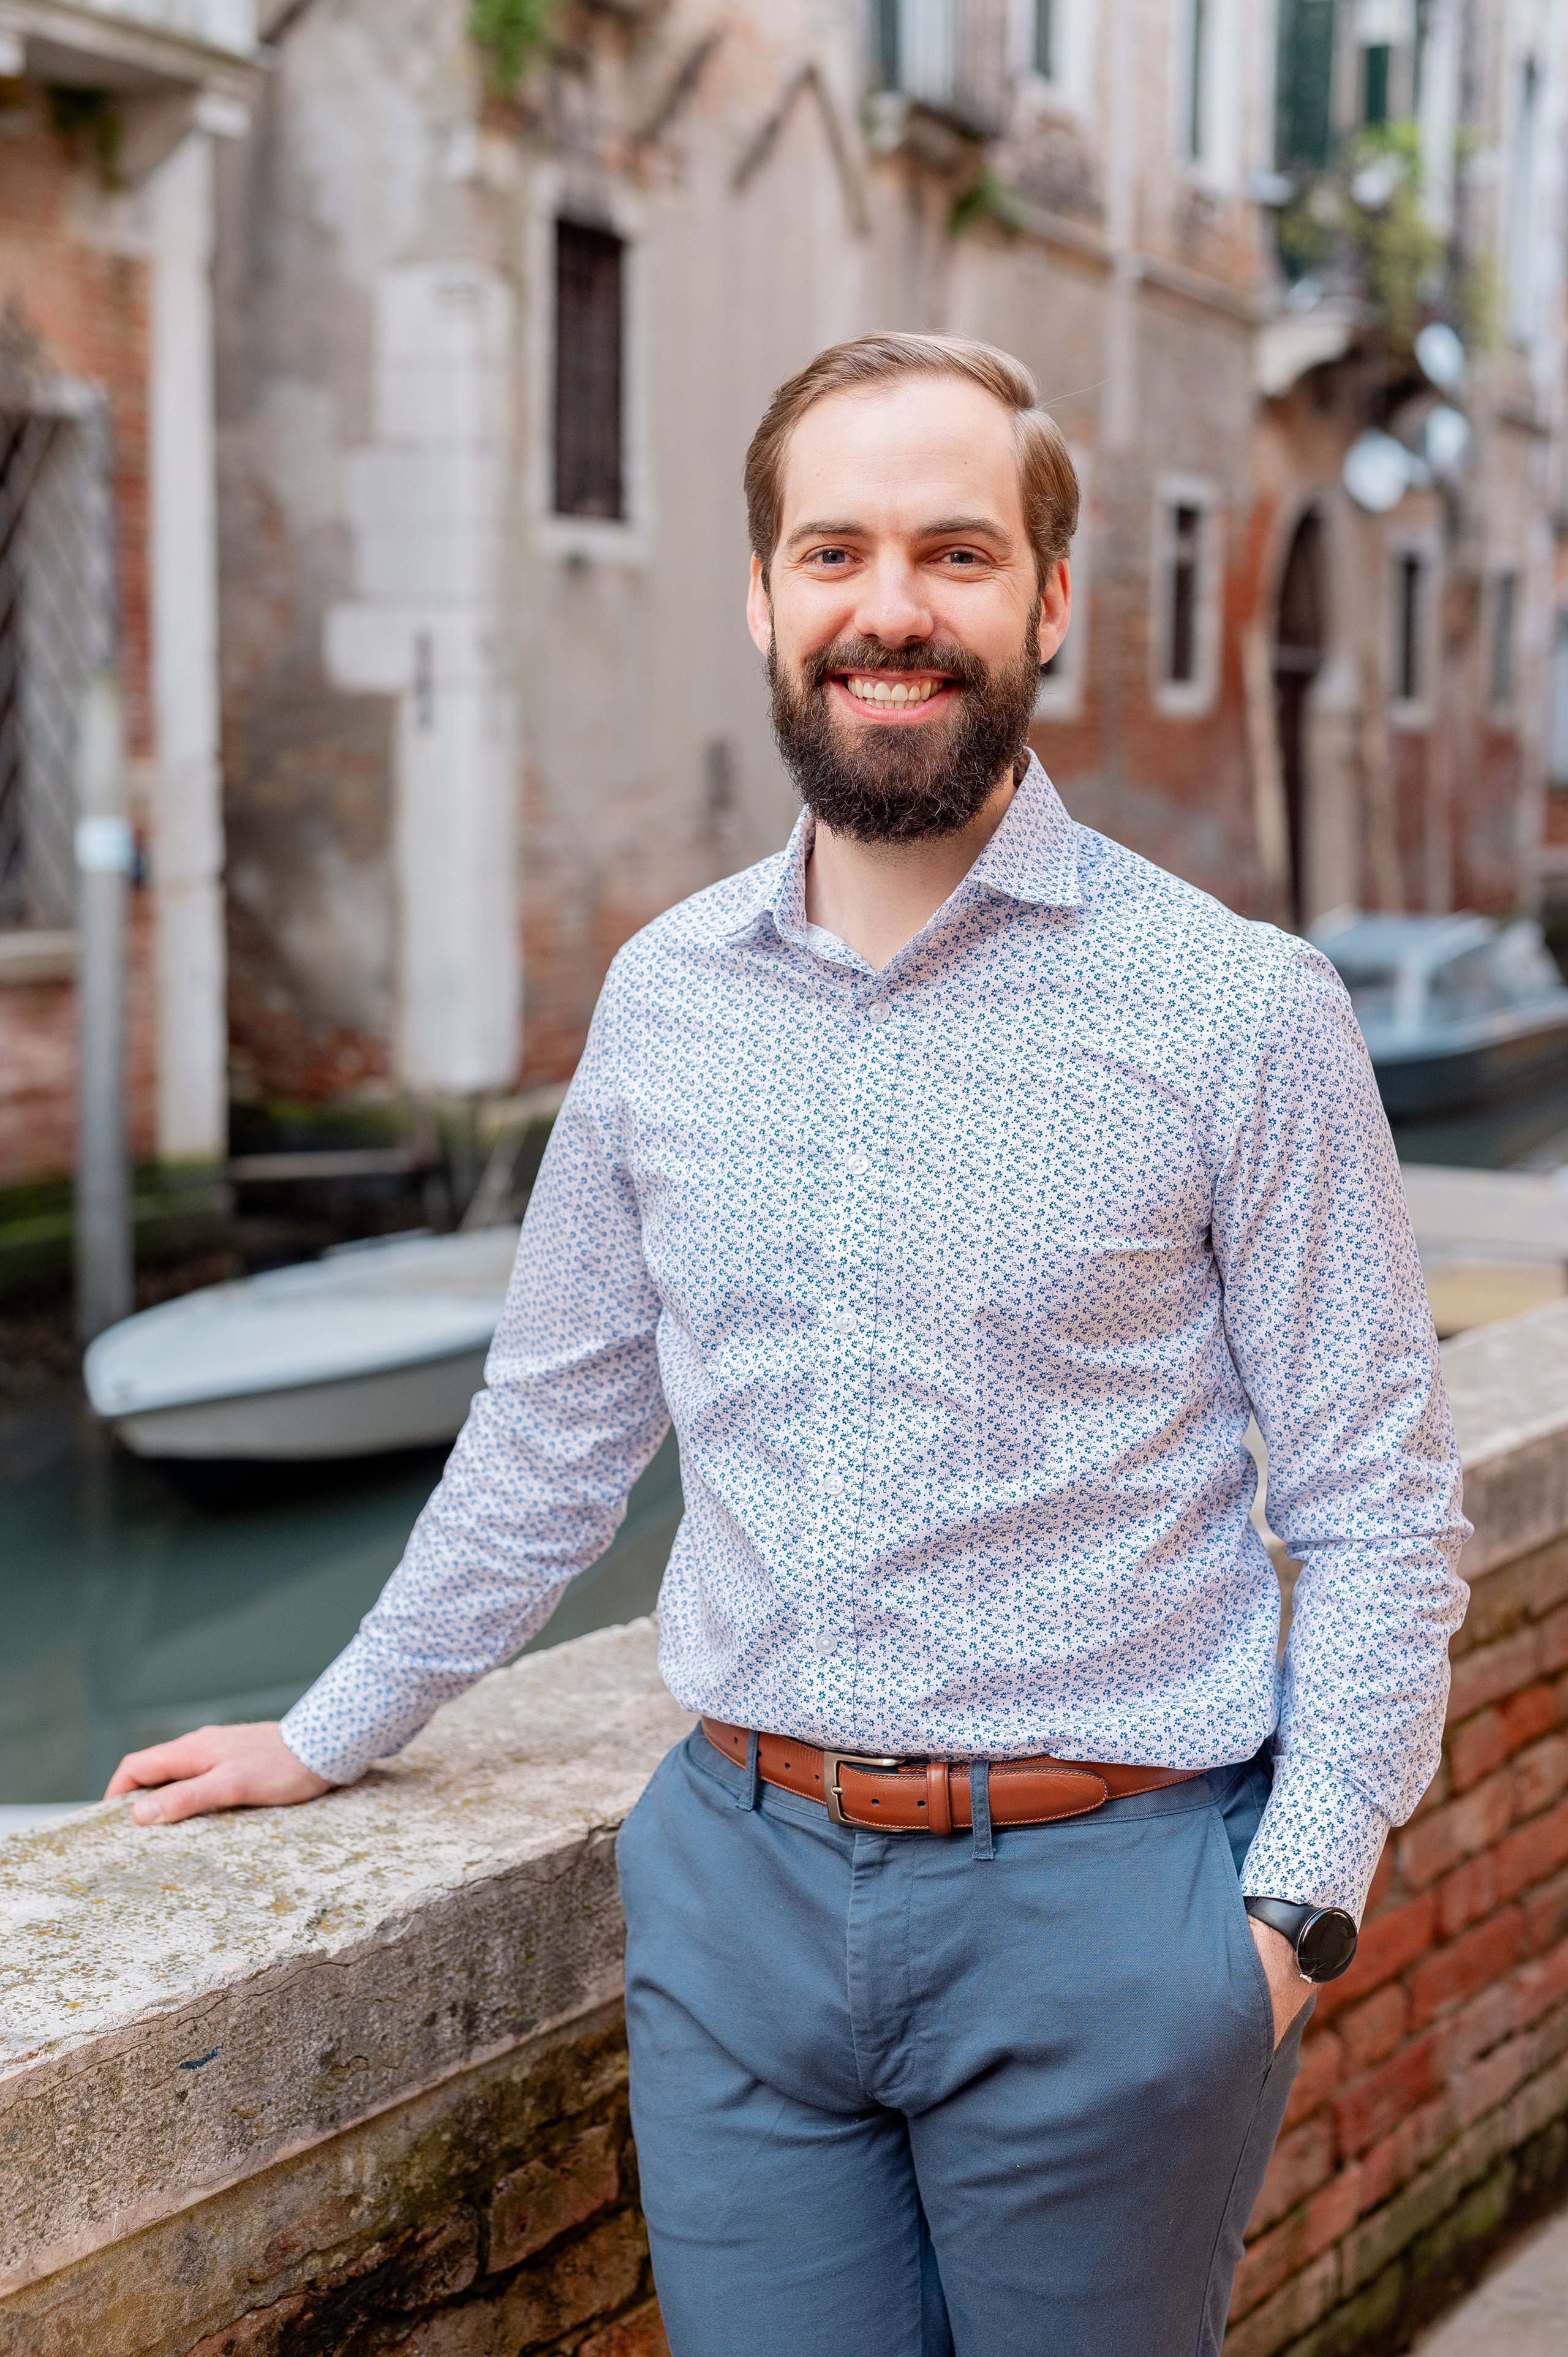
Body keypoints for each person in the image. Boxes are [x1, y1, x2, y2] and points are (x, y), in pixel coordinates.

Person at [108, 334, 1470, 2357]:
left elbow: (1379, 1510)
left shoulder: (1240, 1011)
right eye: (836, 553)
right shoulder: (662, 998)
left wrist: (1291, 1915)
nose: (889, 610)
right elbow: (553, 1433)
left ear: (1050, 601)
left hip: (1113, 1913)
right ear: (764, 599)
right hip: (737, 1906)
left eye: (955, 554)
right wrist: (330, 1731)